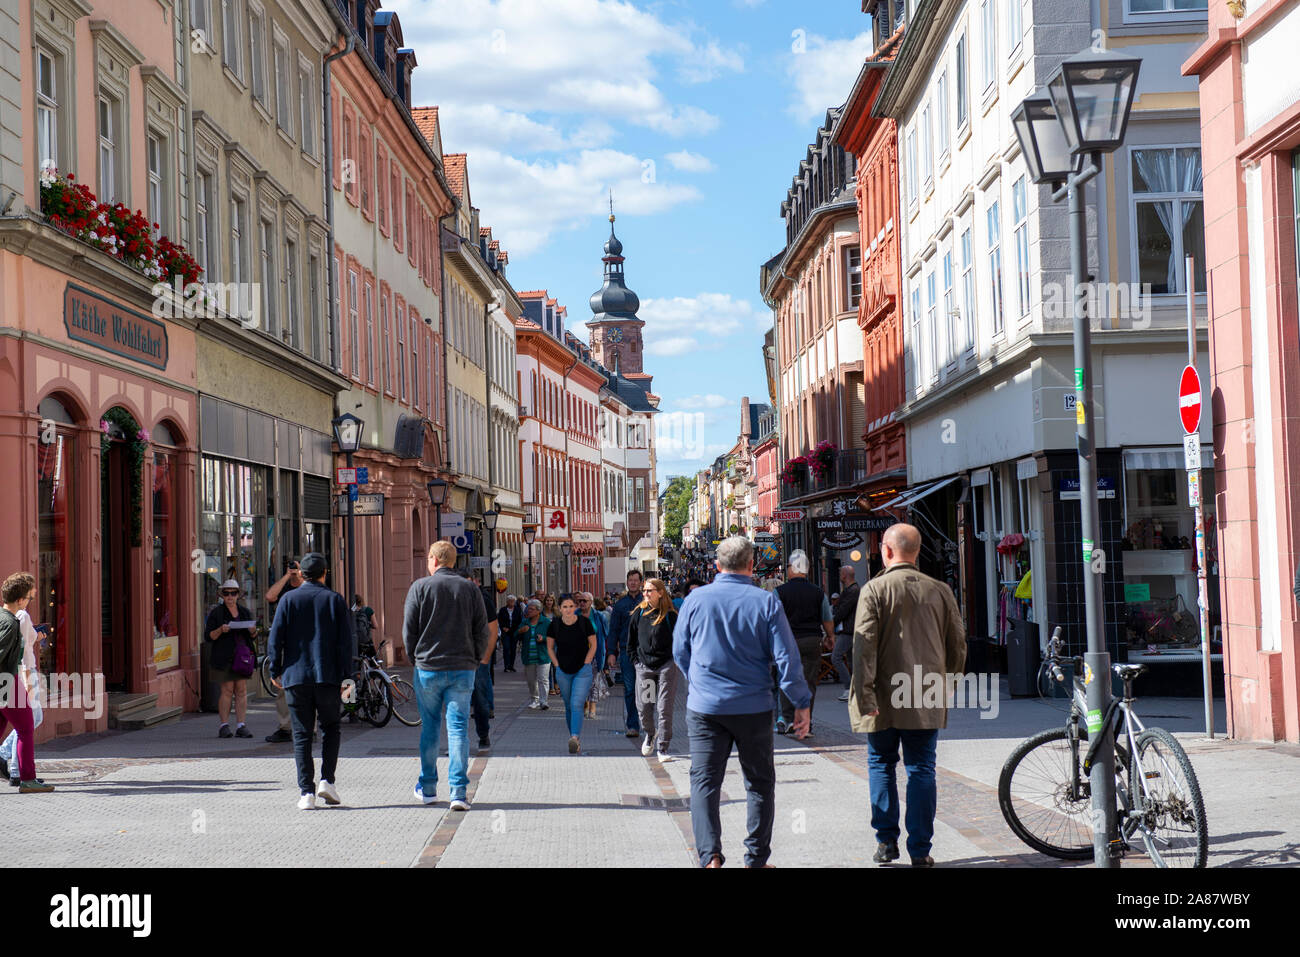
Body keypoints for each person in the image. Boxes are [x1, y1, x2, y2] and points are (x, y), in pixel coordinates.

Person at [674, 537, 809, 868]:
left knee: (704, 782)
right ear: (752, 565)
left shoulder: (695, 600)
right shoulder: (765, 602)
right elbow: (786, 658)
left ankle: (710, 858)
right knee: (759, 782)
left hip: (706, 708)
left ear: (716, 566)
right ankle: (756, 859)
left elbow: (679, 650)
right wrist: (801, 702)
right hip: (753, 706)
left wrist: (698, 681)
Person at [850, 523, 966, 867]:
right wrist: (947, 685)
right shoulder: (940, 590)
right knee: (921, 769)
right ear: (915, 553)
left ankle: (886, 842)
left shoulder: (873, 590)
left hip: (883, 696)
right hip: (924, 692)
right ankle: (920, 849)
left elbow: (863, 647)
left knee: (881, 764)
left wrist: (864, 695)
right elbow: (957, 645)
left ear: (887, 551)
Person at [404, 541, 490, 811]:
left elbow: (409, 630)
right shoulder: (469, 589)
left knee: (429, 727)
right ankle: (458, 792)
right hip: (463, 667)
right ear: (453, 561)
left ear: (433, 559)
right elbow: (482, 630)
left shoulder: (420, 587)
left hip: (428, 667)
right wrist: (475, 658)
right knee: (458, 729)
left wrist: (414, 657)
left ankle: (428, 788)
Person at [266, 553, 353, 810]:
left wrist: (275, 669)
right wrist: (348, 678)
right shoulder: (335, 600)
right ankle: (328, 781)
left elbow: (276, 638)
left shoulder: (288, 600)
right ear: (325, 573)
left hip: (296, 677)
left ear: (301, 575)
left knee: (302, 734)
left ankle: (306, 792)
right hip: (328, 676)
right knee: (330, 728)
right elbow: (345, 643)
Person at [0, 573, 51, 792]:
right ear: (20, 600)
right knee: (26, 727)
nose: (29, 602)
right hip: (6, 681)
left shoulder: (2, 617)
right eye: (29, 598)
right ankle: (27, 779)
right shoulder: (11, 623)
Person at [774, 552, 834, 737]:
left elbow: (774, 618)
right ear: (806, 570)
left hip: (787, 641)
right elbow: (826, 617)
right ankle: (806, 721)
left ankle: (788, 718)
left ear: (792, 569)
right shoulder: (817, 592)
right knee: (809, 682)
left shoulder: (780, 592)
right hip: (811, 641)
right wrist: (830, 636)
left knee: (786, 678)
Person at [630, 578, 678, 762]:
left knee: (664, 708)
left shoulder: (670, 615)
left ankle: (663, 749)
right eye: (645, 590)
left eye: (650, 590)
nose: (646, 594)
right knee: (644, 707)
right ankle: (650, 734)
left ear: (660, 592)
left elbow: (679, 640)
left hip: (666, 666)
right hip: (645, 667)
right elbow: (631, 642)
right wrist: (636, 662)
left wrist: (675, 661)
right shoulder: (639, 614)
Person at [205, 579, 257, 739]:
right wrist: (221, 629)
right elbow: (209, 636)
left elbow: (253, 636)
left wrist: (253, 630)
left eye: (233, 593)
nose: (230, 596)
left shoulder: (244, 612)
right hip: (224, 657)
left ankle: (241, 725)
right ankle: (224, 725)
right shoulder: (217, 613)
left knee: (241, 690)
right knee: (227, 690)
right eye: (226, 593)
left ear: (238, 595)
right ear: (222, 595)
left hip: (241, 657)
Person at [546, 595, 597, 754]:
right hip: (563, 671)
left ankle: (574, 737)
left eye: (571, 606)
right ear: (560, 609)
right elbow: (549, 647)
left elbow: (594, 644)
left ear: (575, 607)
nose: (568, 610)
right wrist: (556, 665)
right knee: (568, 706)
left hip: (583, 670)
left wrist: (587, 661)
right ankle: (574, 738)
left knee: (576, 703)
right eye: (565, 607)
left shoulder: (584, 622)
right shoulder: (554, 625)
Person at [264, 560, 303, 743]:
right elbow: (270, 597)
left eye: (297, 568)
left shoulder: (307, 587)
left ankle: (308, 729)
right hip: (286, 644)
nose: (295, 571)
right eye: (293, 567)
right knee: (282, 688)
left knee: (307, 687)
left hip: (304, 644)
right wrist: (287, 576)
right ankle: (285, 728)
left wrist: (300, 577)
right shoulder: (285, 589)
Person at [606, 569, 645, 739]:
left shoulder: (648, 602)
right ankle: (633, 725)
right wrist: (611, 653)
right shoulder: (620, 605)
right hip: (627, 652)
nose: (633, 583)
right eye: (630, 580)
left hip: (647, 652)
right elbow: (613, 631)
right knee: (630, 689)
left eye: (636, 580)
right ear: (627, 582)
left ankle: (648, 723)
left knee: (647, 689)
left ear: (641, 582)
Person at [470, 582, 500, 750]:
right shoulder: (453, 598)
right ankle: (457, 743)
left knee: (479, 696)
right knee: (455, 700)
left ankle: (483, 734)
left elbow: (493, 629)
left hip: (477, 657)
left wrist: (485, 658)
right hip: (456, 658)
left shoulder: (482, 599)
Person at [832, 566, 861, 702]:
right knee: (851, 660)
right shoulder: (851, 590)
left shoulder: (853, 591)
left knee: (836, 657)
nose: (838, 574)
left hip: (849, 630)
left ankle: (849, 687)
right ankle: (856, 689)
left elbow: (843, 610)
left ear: (845, 575)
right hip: (850, 629)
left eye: (840, 572)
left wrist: (830, 624)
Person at [577, 592, 607, 720]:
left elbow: (606, 634)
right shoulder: (573, 615)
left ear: (591, 602)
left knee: (594, 682)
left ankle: (592, 708)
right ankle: (584, 704)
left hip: (594, 653)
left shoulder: (598, 616)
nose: (582, 603)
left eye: (585, 601)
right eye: (580, 601)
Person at [519, 599, 552, 709]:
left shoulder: (546, 622)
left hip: (543, 655)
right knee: (531, 680)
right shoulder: (525, 622)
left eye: (532, 609)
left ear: (538, 611)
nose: (529, 611)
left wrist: (544, 638)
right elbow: (515, 636)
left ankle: (544, 701)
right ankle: (535, 699)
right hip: (528, 655)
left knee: (543, 679)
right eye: (528, 609)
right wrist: (520, 631)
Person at [498, 595, 523, 672]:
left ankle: (511, 666)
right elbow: (500, 620)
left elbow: (520, 621)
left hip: (514, 632)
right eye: (509, 601)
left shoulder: (518, 610)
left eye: (512, 601)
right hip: (505, 632)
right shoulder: (502, 610)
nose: (511, 602)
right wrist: (503, 627)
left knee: (513, 648)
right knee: (506, 648)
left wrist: (516, 630)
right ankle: (506, 666)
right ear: (507, 602)